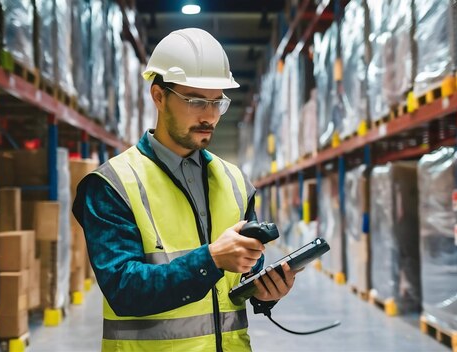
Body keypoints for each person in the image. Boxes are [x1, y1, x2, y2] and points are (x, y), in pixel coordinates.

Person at [73, 28, 299, 352]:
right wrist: (210, 259)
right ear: (159, 96)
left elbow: (241, 278)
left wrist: (264, 292)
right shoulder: (113, 185)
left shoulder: (234, 181)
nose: (209, 116)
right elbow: (123, 289)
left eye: (217, 102)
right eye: (195, 101)